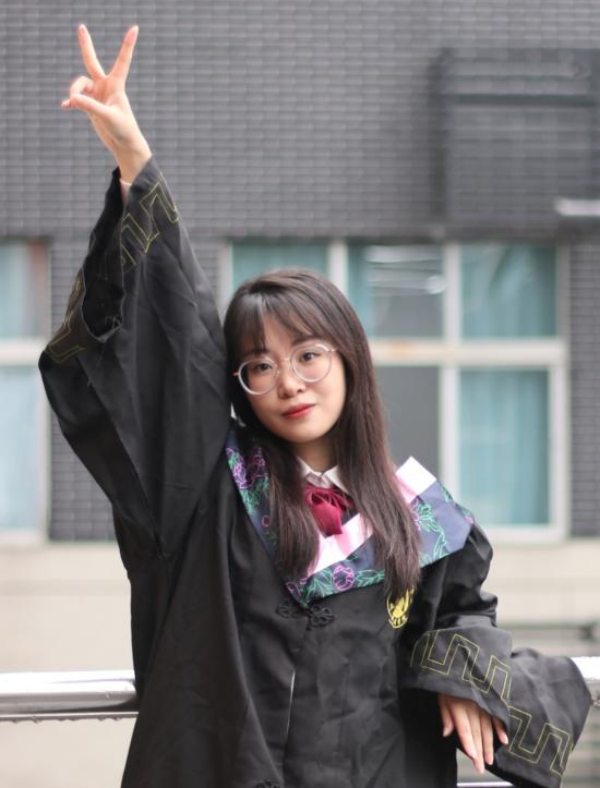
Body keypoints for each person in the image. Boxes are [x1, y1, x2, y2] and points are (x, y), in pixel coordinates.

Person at [40, 24, 592, 788]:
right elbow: (175, 347)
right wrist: (136, 161)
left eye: (308, 356)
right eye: (259, 366)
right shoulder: (207, 492)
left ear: (350, 361)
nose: (289, 382)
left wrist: (465, 670)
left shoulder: (418, 515)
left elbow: (461, 611)